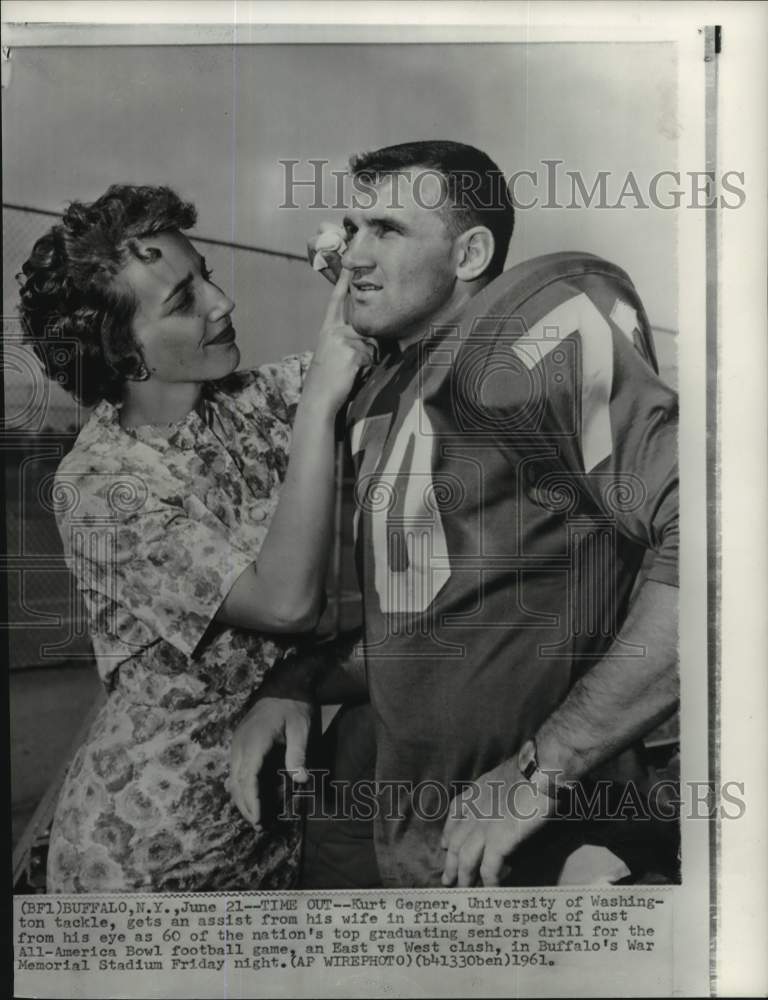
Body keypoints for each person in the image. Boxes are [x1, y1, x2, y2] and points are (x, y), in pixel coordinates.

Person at [233, 140, 680, 890]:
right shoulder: (381, 391)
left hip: (529, 827)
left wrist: (547, 767)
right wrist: (299, 680)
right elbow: (437, 629)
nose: (352, 257)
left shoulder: (538, 329)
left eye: (388, 230)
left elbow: (716, 541)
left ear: (471, 252)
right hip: (408, 822)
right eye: (353, 229)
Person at [18, 183, 373, 892]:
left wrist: (358, 277)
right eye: (183, 300)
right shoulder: (98, 485)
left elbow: (378, 356)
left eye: (205, 273)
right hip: (148, 855)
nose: (221, 302)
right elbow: (285, 605)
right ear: (122, 352)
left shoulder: (250, 403)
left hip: (266, 826)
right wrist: (317, 415)